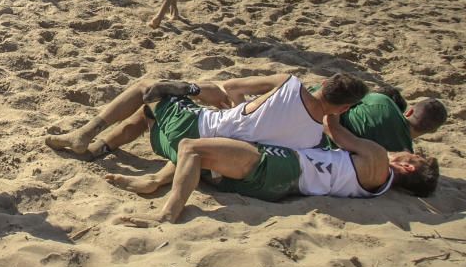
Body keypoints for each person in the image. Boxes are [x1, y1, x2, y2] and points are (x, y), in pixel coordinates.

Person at [121, 113, 439, 224]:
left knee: (194, 146)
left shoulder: (378, 158)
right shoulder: (375, 188)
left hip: (284, 167)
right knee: (207, 154)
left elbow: (335, 130)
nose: (404, 152)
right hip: (281, 189)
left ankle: (166, 215)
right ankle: (156, 180)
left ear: (408, 169)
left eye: (412, 157)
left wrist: (333, 105)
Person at [45, 73, 368, 162]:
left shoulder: (289, 84)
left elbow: (231, 87)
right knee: (148, 114)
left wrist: (238, 110)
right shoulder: (312, 139)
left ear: (323, 85)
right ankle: (99, 149)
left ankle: (85, 133)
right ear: (343, 108)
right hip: (201, 154)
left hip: (194, 128)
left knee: (147, 88)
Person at [324, 90, 447, 153]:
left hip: (317, 120)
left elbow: (345, 98)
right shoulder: (402, 155)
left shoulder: (383, 102)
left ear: (409, 112)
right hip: (325, 151)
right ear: (432, 131)